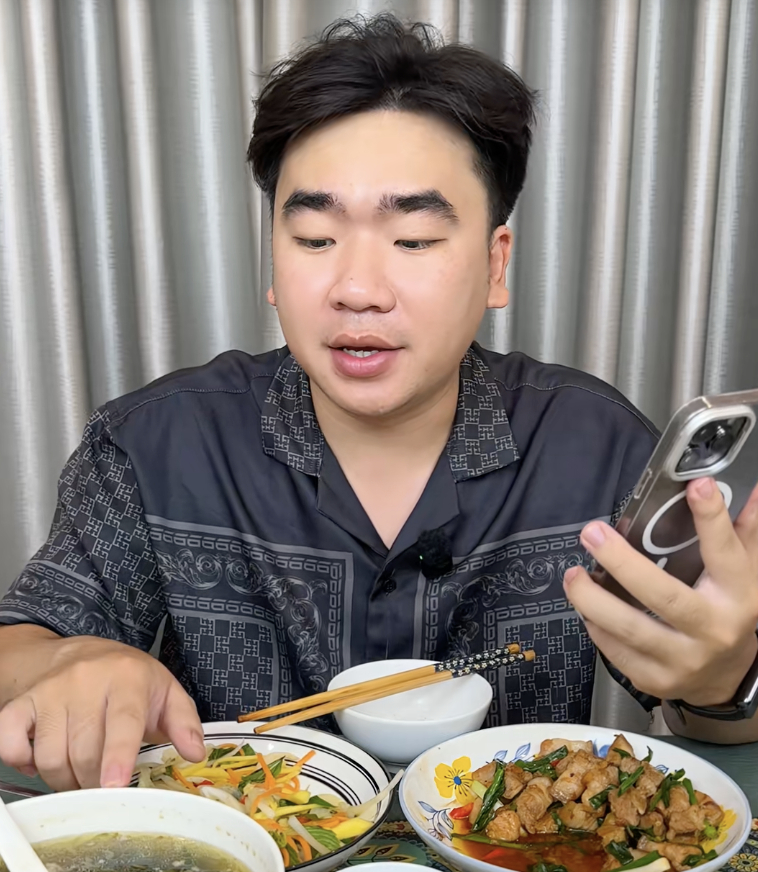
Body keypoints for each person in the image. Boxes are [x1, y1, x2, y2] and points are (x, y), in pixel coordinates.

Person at [1, 14, 757, 794]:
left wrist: (724, 678)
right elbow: (20, 642)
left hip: (517, 867)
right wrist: (68, 660)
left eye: (414, 240)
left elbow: (705, 698)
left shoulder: (592, 442)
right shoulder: (157, 442)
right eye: (314, 238)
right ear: (273, 260)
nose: (357, 289)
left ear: (495, 264)